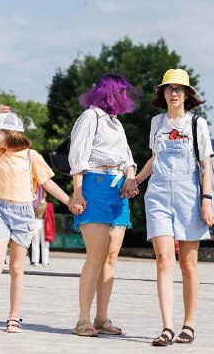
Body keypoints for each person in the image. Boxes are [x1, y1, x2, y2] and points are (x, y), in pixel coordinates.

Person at [127, 69, 214, 346]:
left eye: (179, 89)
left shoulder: (197, 124)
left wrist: (206, 200)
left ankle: (188, 325)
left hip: (189, 195)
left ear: (187, 94)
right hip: (158, 194)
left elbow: (205, 165)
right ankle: (166, 327)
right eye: (169, 88)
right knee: (164, 259)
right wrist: (136, 180)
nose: (174, 93)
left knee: (188, 263)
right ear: (162, 93)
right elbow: (154, 158)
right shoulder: (156, 122)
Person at [0, 106, 71, 334]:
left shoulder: (31, 157)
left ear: (9, 134)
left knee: (16, 267)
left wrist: (69, 201)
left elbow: (47, 183)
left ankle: (14, 317)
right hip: (0, 212)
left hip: (23, 215)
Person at [68, 74, 139, 337]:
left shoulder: (116, 123)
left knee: (111, 257)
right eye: (123, 91)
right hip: (94, 186)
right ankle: (82, 320)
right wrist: (77, 193)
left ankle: (101, 317)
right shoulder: (90, 117)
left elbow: (128, 158)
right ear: (112, 92)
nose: (126, 96)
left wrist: (131, 177)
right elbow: (78, 158)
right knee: (96, 256)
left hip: (118, 190)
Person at [30, 201, 55, 266]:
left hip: (44, 223)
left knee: (43, 243)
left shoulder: (48, 205)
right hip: (36, 222)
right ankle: (37, 261)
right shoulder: (33, 204)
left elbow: (51, 217)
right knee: (36, 242)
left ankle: (44, 262)